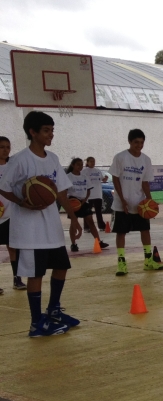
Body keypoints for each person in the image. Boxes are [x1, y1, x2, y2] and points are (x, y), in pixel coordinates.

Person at [0, 111, 82, 337]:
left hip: (51, 226)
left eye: (52, 130)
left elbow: (61, 192)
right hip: (29, 229)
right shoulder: (19, 160)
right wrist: (21, 202)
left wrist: (73, 219)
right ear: (32, 132)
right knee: (35, 274)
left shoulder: (53, 159)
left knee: (62, 266)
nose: (50, 134)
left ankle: (54, 310)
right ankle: (36, 323)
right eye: (46, 130)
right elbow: (4, 186)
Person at [110, 129, 163, 276]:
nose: (139, 145)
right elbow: (115, 179)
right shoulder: (120, 157)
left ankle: (148, 260)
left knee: (145, 231)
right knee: (121, 233)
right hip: (123, 203)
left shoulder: (146, 160)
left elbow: (145, 182)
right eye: (136, 142)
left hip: (140, 204)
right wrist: (122, 199)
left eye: (141, 142)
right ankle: (121, 263)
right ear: (129, 142)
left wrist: (149, 200)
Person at [64, 158, 107, 252]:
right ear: (73, 165)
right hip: (73, 201)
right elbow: (64, 192)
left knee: (90, 221)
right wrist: (69, 202)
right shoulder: (68, 177)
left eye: (81, 164)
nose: (80, 166)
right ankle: (73, 244)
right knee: (73, 223)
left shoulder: (84, 176)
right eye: (78, 164)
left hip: (83, 202)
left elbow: (88, 190)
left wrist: (84, 200)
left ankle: (98, 241)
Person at [0, 136, 25, 293]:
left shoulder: (13, 167)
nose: (5, 150)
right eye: (2, 146)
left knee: (14, 247)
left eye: (8, 147)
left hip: (11, 214)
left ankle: (17, 278)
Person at [83, 157, 107, 230]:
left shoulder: (98, 171)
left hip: (98, 194)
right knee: (88, 212)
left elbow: (102, 179)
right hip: (89, 195)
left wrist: (105, 178)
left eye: (94, 161)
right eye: (91, 161)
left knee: (98, 211)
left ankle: (101, 225)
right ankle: (87, 227)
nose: (93, 163)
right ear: (87, 162)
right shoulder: (84, 171)